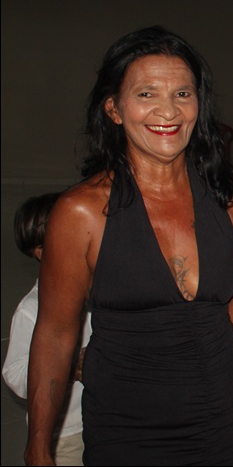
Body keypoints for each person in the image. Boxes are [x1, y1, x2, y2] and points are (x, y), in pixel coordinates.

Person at [24, 26, 233, 466]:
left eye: (183, 94)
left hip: (223, 424)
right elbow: (55, 335)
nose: (169, 110)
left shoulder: (228, 197)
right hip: (126, 434)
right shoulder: (81, 213)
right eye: (146, 94)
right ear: (114, 109)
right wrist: (38, 446)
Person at [3, 193, 92, 466]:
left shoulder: (95, 293)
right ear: (41, 252)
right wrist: (69, 367)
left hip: (101, 423)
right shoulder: (32, 308)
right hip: (64, 435)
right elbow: (14, 373)